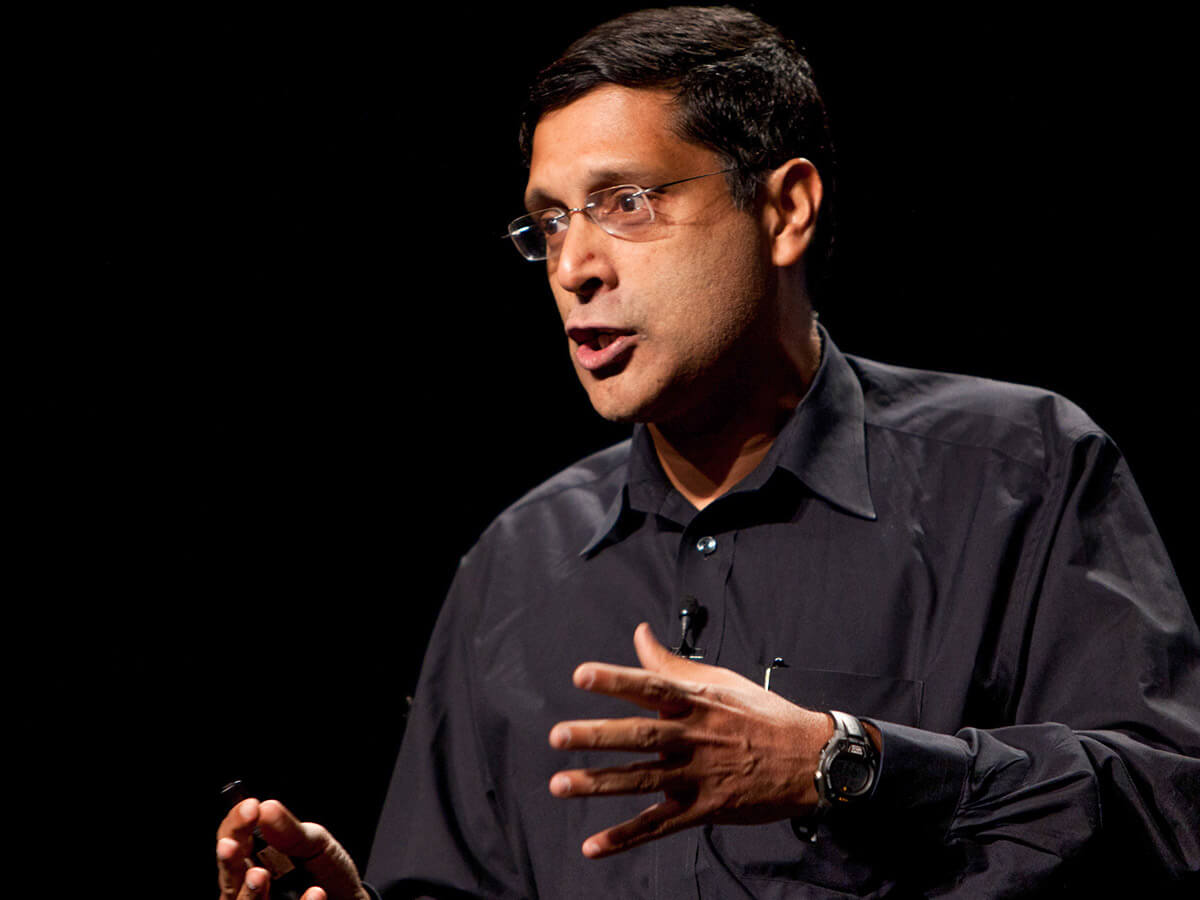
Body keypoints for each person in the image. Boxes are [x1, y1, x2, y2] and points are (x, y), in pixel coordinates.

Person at [216, 6, 1200, 897]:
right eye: (550, 221)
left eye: (625, 203)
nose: (573, 266)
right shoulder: (514, 566)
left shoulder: (1018, 472)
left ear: (786, 209)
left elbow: (1171, 813)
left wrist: (846, 762)